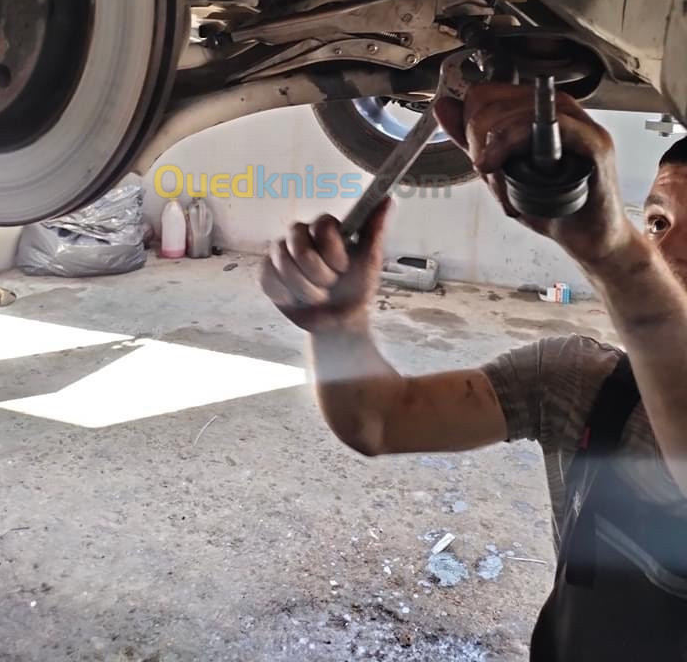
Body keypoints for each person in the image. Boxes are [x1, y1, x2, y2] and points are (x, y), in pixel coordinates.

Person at [261, 83, 687, 661]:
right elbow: (379, 421)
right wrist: (339, 328)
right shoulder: (582, 382)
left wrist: (617, 257)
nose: (668, 252)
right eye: (658, 224)